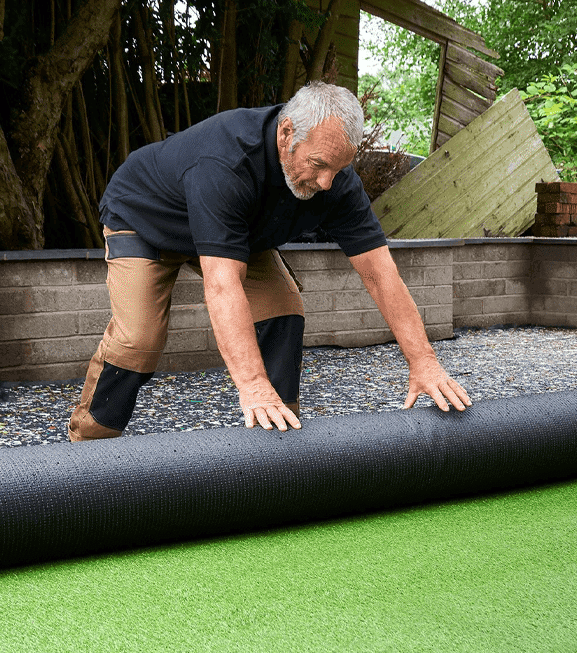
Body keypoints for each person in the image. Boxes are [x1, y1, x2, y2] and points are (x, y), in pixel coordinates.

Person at [68, 81, 471, 441]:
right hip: (146, 219)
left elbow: (382, 275)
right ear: (286, 134)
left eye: (339, 168)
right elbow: (222, 285)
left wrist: (425, 363)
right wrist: (253, 383)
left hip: (235, 230)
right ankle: (87, 447)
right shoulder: (226, 163)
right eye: (318, 165)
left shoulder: (336, 182)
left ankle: (277, 445)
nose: (327, 182)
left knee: (283, 311)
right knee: (139, 339)